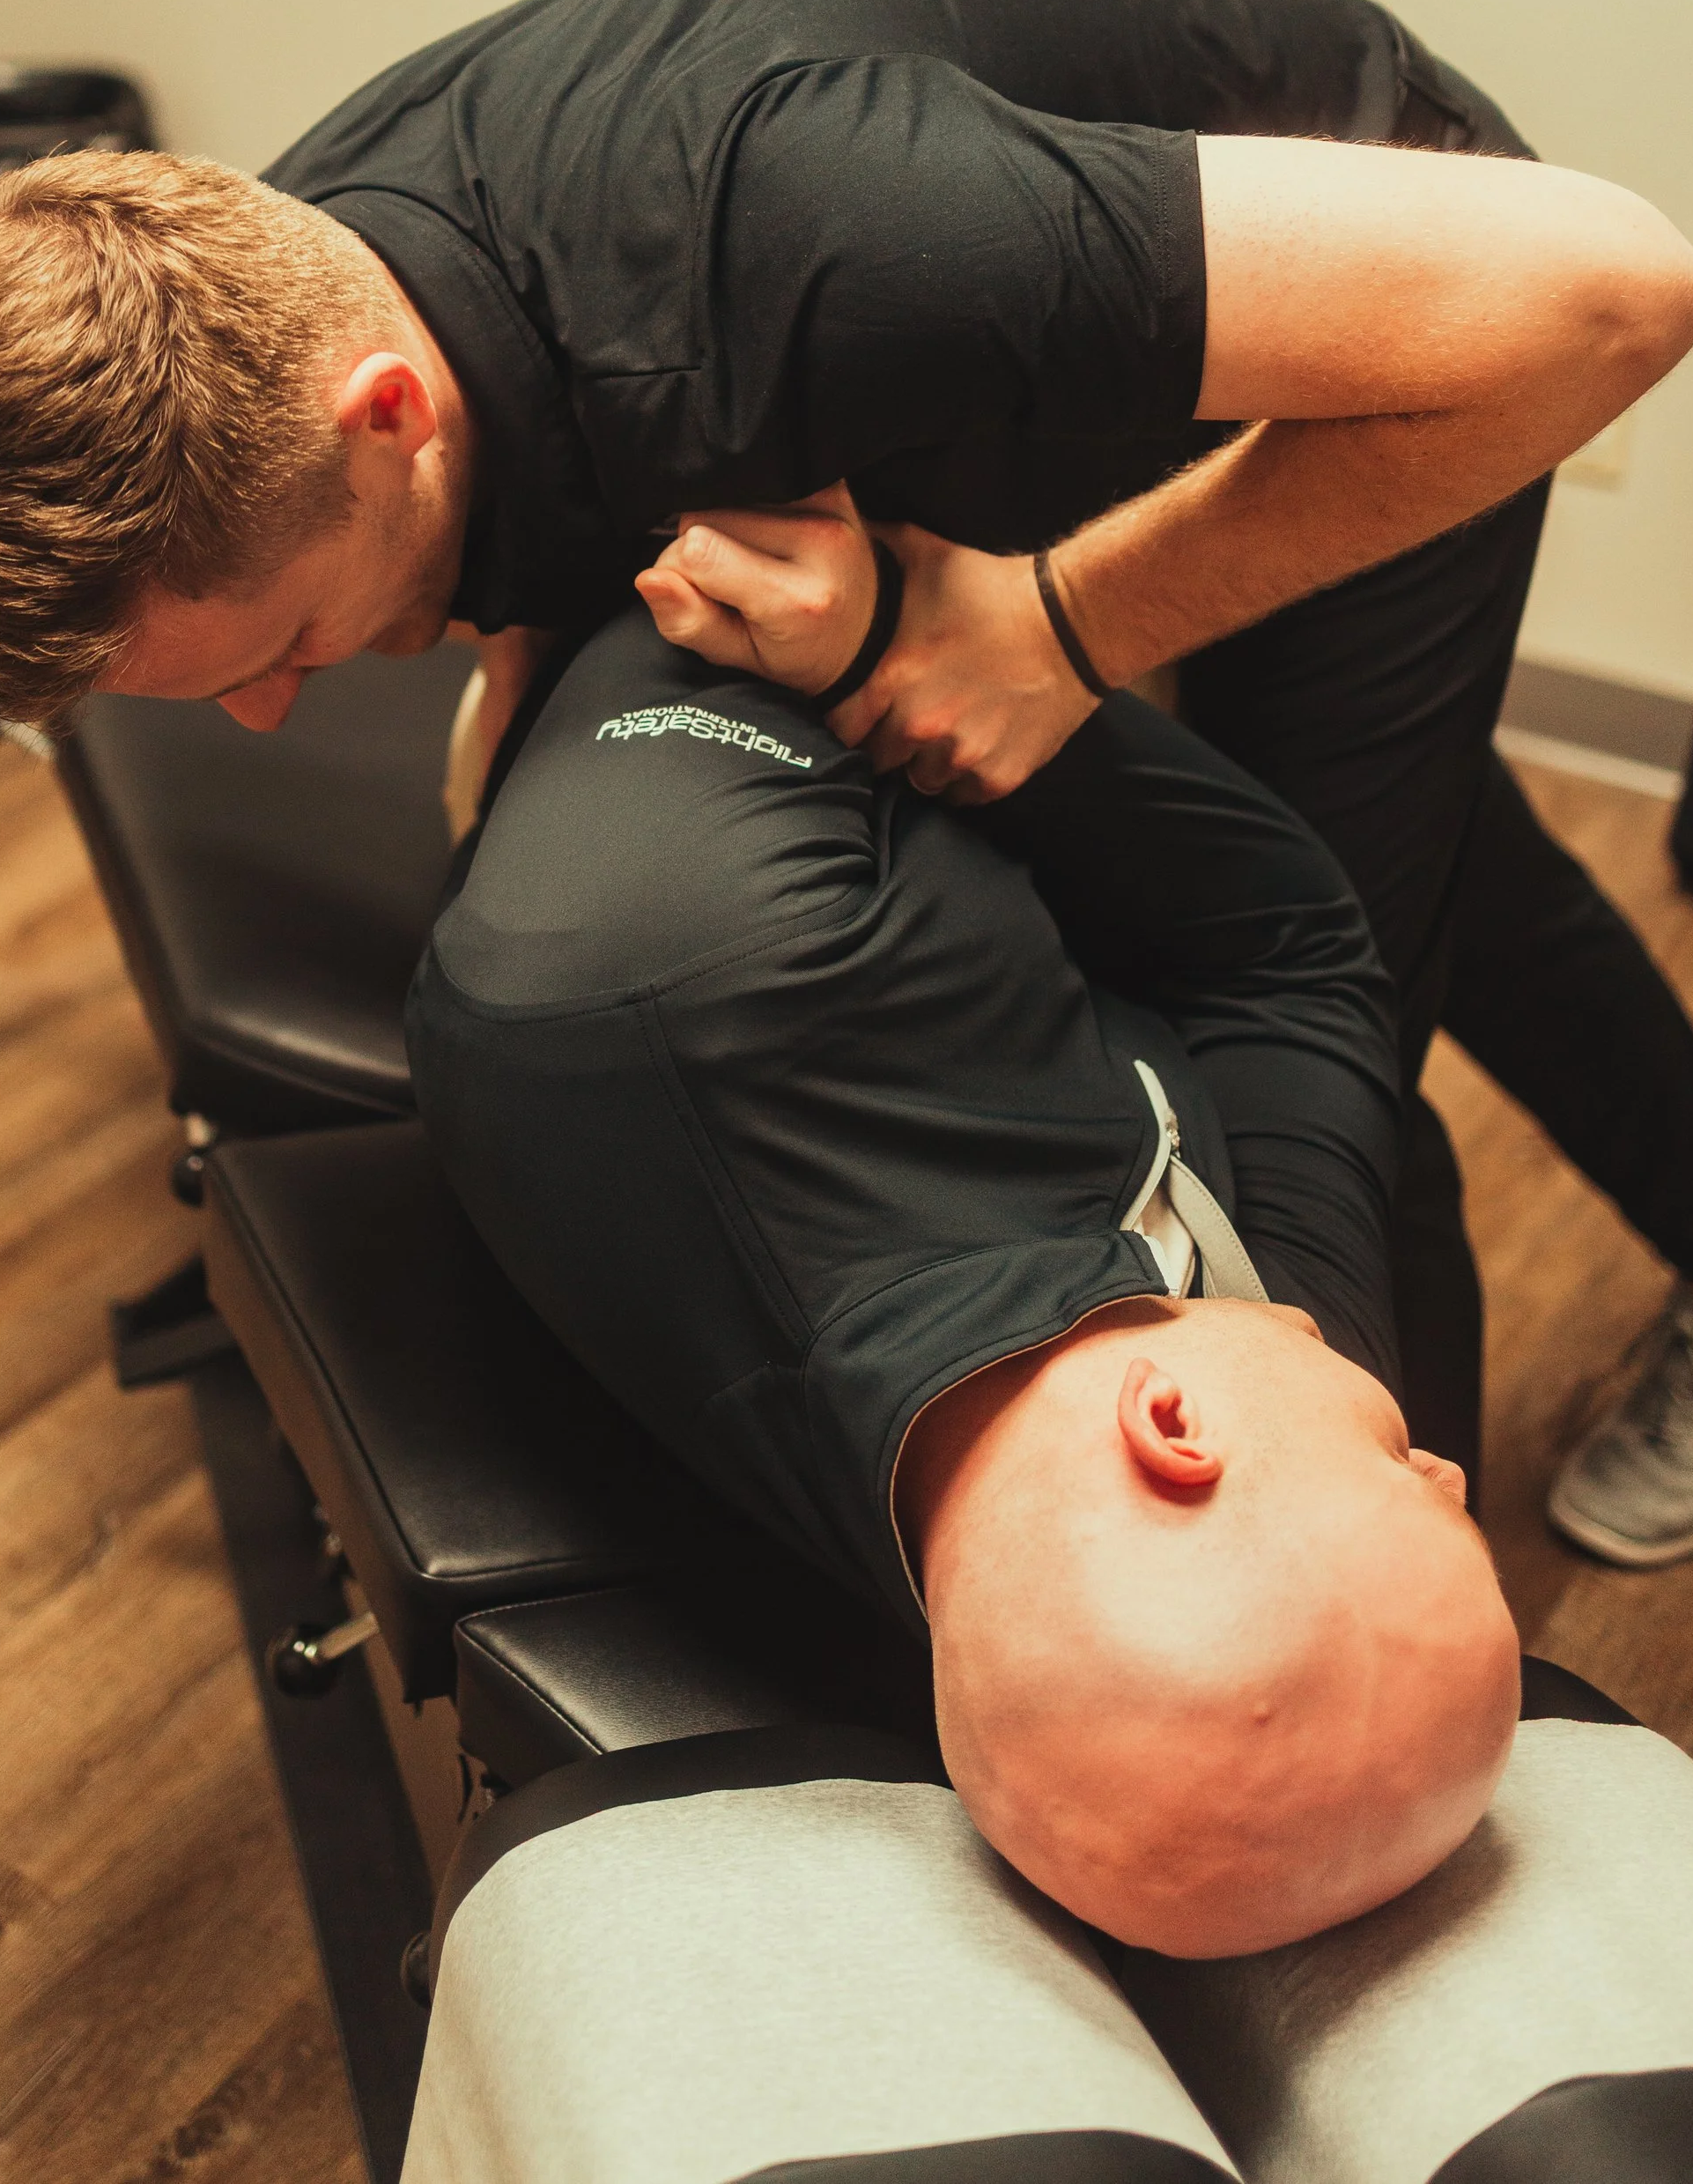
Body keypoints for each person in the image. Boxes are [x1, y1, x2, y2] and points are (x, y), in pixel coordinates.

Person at [0, 0, 1693, 1558]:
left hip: (1394, 307)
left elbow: (1614, 292)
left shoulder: (803, 226)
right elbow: (576, 439)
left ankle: (1358, 1599)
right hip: (1002, 371)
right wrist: (511, 649)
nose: (275, 708)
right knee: (1432, 837)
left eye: (275, 643)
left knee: (1325, 968)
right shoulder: (260, 287)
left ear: (384, 418)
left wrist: (1066, 621)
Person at [403, 599, 1520, 1956]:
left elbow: (721, 595)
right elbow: (1298, 962)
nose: (1447, 1468)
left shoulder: (645, 961)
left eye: (1413, 1484)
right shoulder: (1275, 1353)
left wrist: (890, 631)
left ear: (1171, 1430)